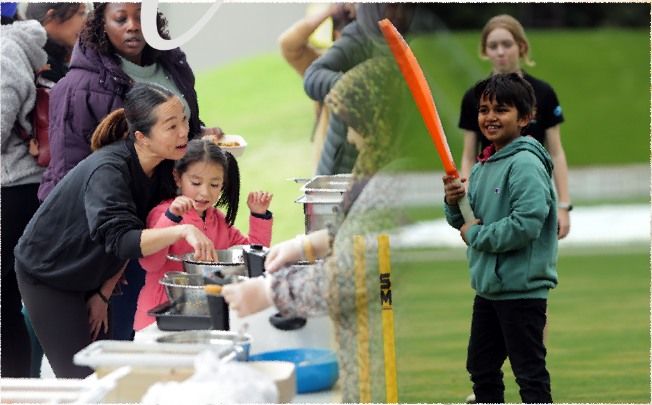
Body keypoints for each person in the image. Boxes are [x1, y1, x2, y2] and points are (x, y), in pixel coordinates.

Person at [223, 57, 410, 403]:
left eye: (353, 123)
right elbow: (363, 231)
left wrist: (270, 292)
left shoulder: (396, 181)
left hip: (389, 365)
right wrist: (307, 245)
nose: (351, 138)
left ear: (377, 119)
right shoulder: (386, 164)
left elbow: (350, 277)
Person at [37, 2, 223, 341]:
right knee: (120, 343)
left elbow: (179, 130)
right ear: (100, 23)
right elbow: (70, 175)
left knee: (172, 338)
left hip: (167, 222)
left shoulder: (173, 64)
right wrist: (99, 277)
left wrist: (201, 137)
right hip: (114, 239)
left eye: (142, 17)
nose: (133, 26)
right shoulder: (78, 87)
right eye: (121, 18)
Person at [14, 83, 219, 378]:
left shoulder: (162, 165)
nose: (184, 131)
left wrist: (103, 292)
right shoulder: (108, 171)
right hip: (49, 274)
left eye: (184, 121)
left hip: (95, 272)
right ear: (141, 137)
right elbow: (122, 240)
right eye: (171, 126)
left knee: (113, 375)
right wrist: (180, 231)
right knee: (81, 381)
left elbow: (136, 230)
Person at [444, 73, 558, 403]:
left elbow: (525, 225)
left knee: (530, 373)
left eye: (501, 109)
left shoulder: (525, 163)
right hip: (489, 290)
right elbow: (465, 222)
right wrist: (454, 201)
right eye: (484, 109)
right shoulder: (483, 165)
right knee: (481, 368)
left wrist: (476, 233)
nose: (490, 117)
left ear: (525, 118)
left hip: (521, 290)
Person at [133, 139, 273, 331]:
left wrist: (259, 216)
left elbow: (252, 257)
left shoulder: (218, 220)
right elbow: (150, 263)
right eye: (196, 182)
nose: (204, 192)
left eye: (214, 185)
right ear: (177, 177)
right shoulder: (164, 213)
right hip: (162, 318)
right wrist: (172, 218)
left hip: (206, 316)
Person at [459, 14, 571, 240]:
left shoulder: (543, 93)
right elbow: (469, 156)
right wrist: (465, 204)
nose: (500, 52)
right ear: (485, 51)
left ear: (521, 47)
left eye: (506, 44)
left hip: (532, 191)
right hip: (491, 193)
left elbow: (556, 152)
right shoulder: (474, 97)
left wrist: (564, 205)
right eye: (493, 46)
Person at [303, 3, 413, 176]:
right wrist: (358, 88)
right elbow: (312, 76)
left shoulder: (427, 32)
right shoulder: (363, 33)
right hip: (342, 164)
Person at [1, 18, 48, 378]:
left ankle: (15, 390)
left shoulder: (5, 51)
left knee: (6, 305)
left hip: (13, 187)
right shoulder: (16, 47)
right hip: (21, 185)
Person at [278, 3, 355, 171]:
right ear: (336, 36)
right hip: (327, 174)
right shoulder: (322, 67)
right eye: (349, 38)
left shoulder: (379, 71)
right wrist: (329, 12)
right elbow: (288, 44)